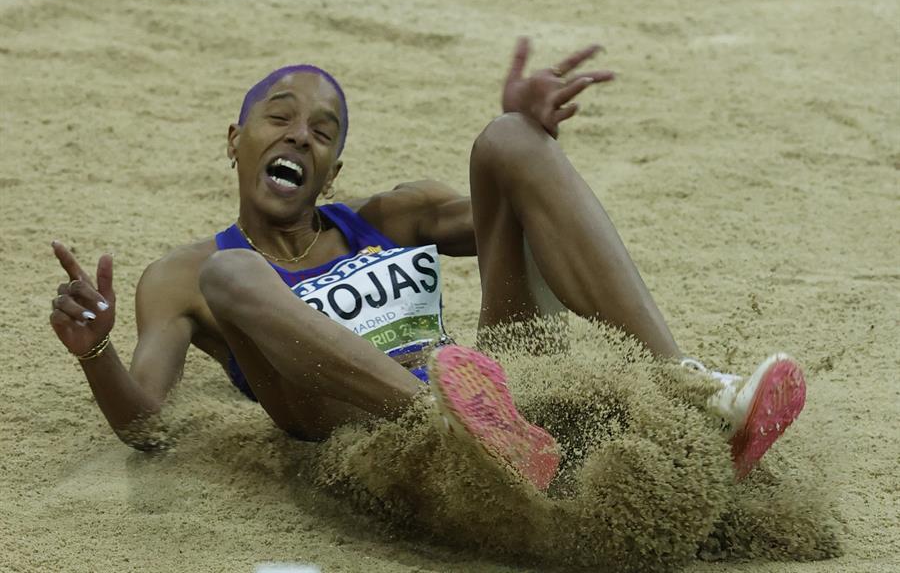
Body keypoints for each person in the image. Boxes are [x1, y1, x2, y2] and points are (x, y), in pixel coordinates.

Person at [49, 38, 805, 489]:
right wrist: (98, 353)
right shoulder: (186, 275)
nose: (298, 137)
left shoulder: (387, 218)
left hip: (505, 398)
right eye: (278, 117)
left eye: (322, 132)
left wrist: (533, 140)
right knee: (234, 272)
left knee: (504, 143)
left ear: (333, 174)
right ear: (235, 140)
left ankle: (693, 391)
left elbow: (530, 222)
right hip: (367, 431)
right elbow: (147, 426)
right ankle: (461, 423)